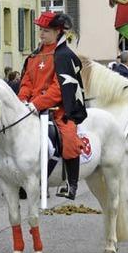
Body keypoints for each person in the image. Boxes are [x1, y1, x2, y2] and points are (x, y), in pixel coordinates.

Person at [18, 11, 87, 200]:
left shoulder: (65, 56)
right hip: (31, 108)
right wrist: (23, 101)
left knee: (70, 140)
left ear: (58, 32)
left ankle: (71, 185)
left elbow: (59, 89)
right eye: (40, 30)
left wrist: (37, 104)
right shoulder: (34, 56)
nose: (41, 34)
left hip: (59, 109)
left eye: (46, 31)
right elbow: (26, 82)